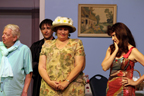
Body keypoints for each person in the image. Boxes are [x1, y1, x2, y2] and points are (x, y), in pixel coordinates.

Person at [38, 16, 86, 96]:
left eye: (65, 29)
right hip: (49, 88)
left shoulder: (76, 43)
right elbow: (41, 67)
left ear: (69, 31)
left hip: (71, 87)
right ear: (56, 30)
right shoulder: (47, 44)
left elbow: (79, 65)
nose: (62, 32)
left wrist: (66, 82)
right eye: (60, 29)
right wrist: (50, 82)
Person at [101, 22, 144, 96]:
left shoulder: (132, 51)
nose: (112, 38)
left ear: (121, 35)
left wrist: (136, 82)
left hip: (125, 90)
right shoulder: (111, 49)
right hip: (110, 89)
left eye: (114, 35)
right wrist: (115, 51)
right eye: (111, 36)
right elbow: (104, 67)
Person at [0, 24, 33, 96]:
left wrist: (25, 91)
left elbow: (29, 73)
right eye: (3, 34)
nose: (3, 36)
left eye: (7, 34)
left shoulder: (24, 50)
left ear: (14, 38)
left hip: (15, 92)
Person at [30, 19, 55, 96]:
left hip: (55, 78)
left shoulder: (58, 45)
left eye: (48, 28)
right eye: (43, 29)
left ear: (53, 30)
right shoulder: (35, 46)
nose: (46, 31)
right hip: (39, 79)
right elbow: (30, 64)